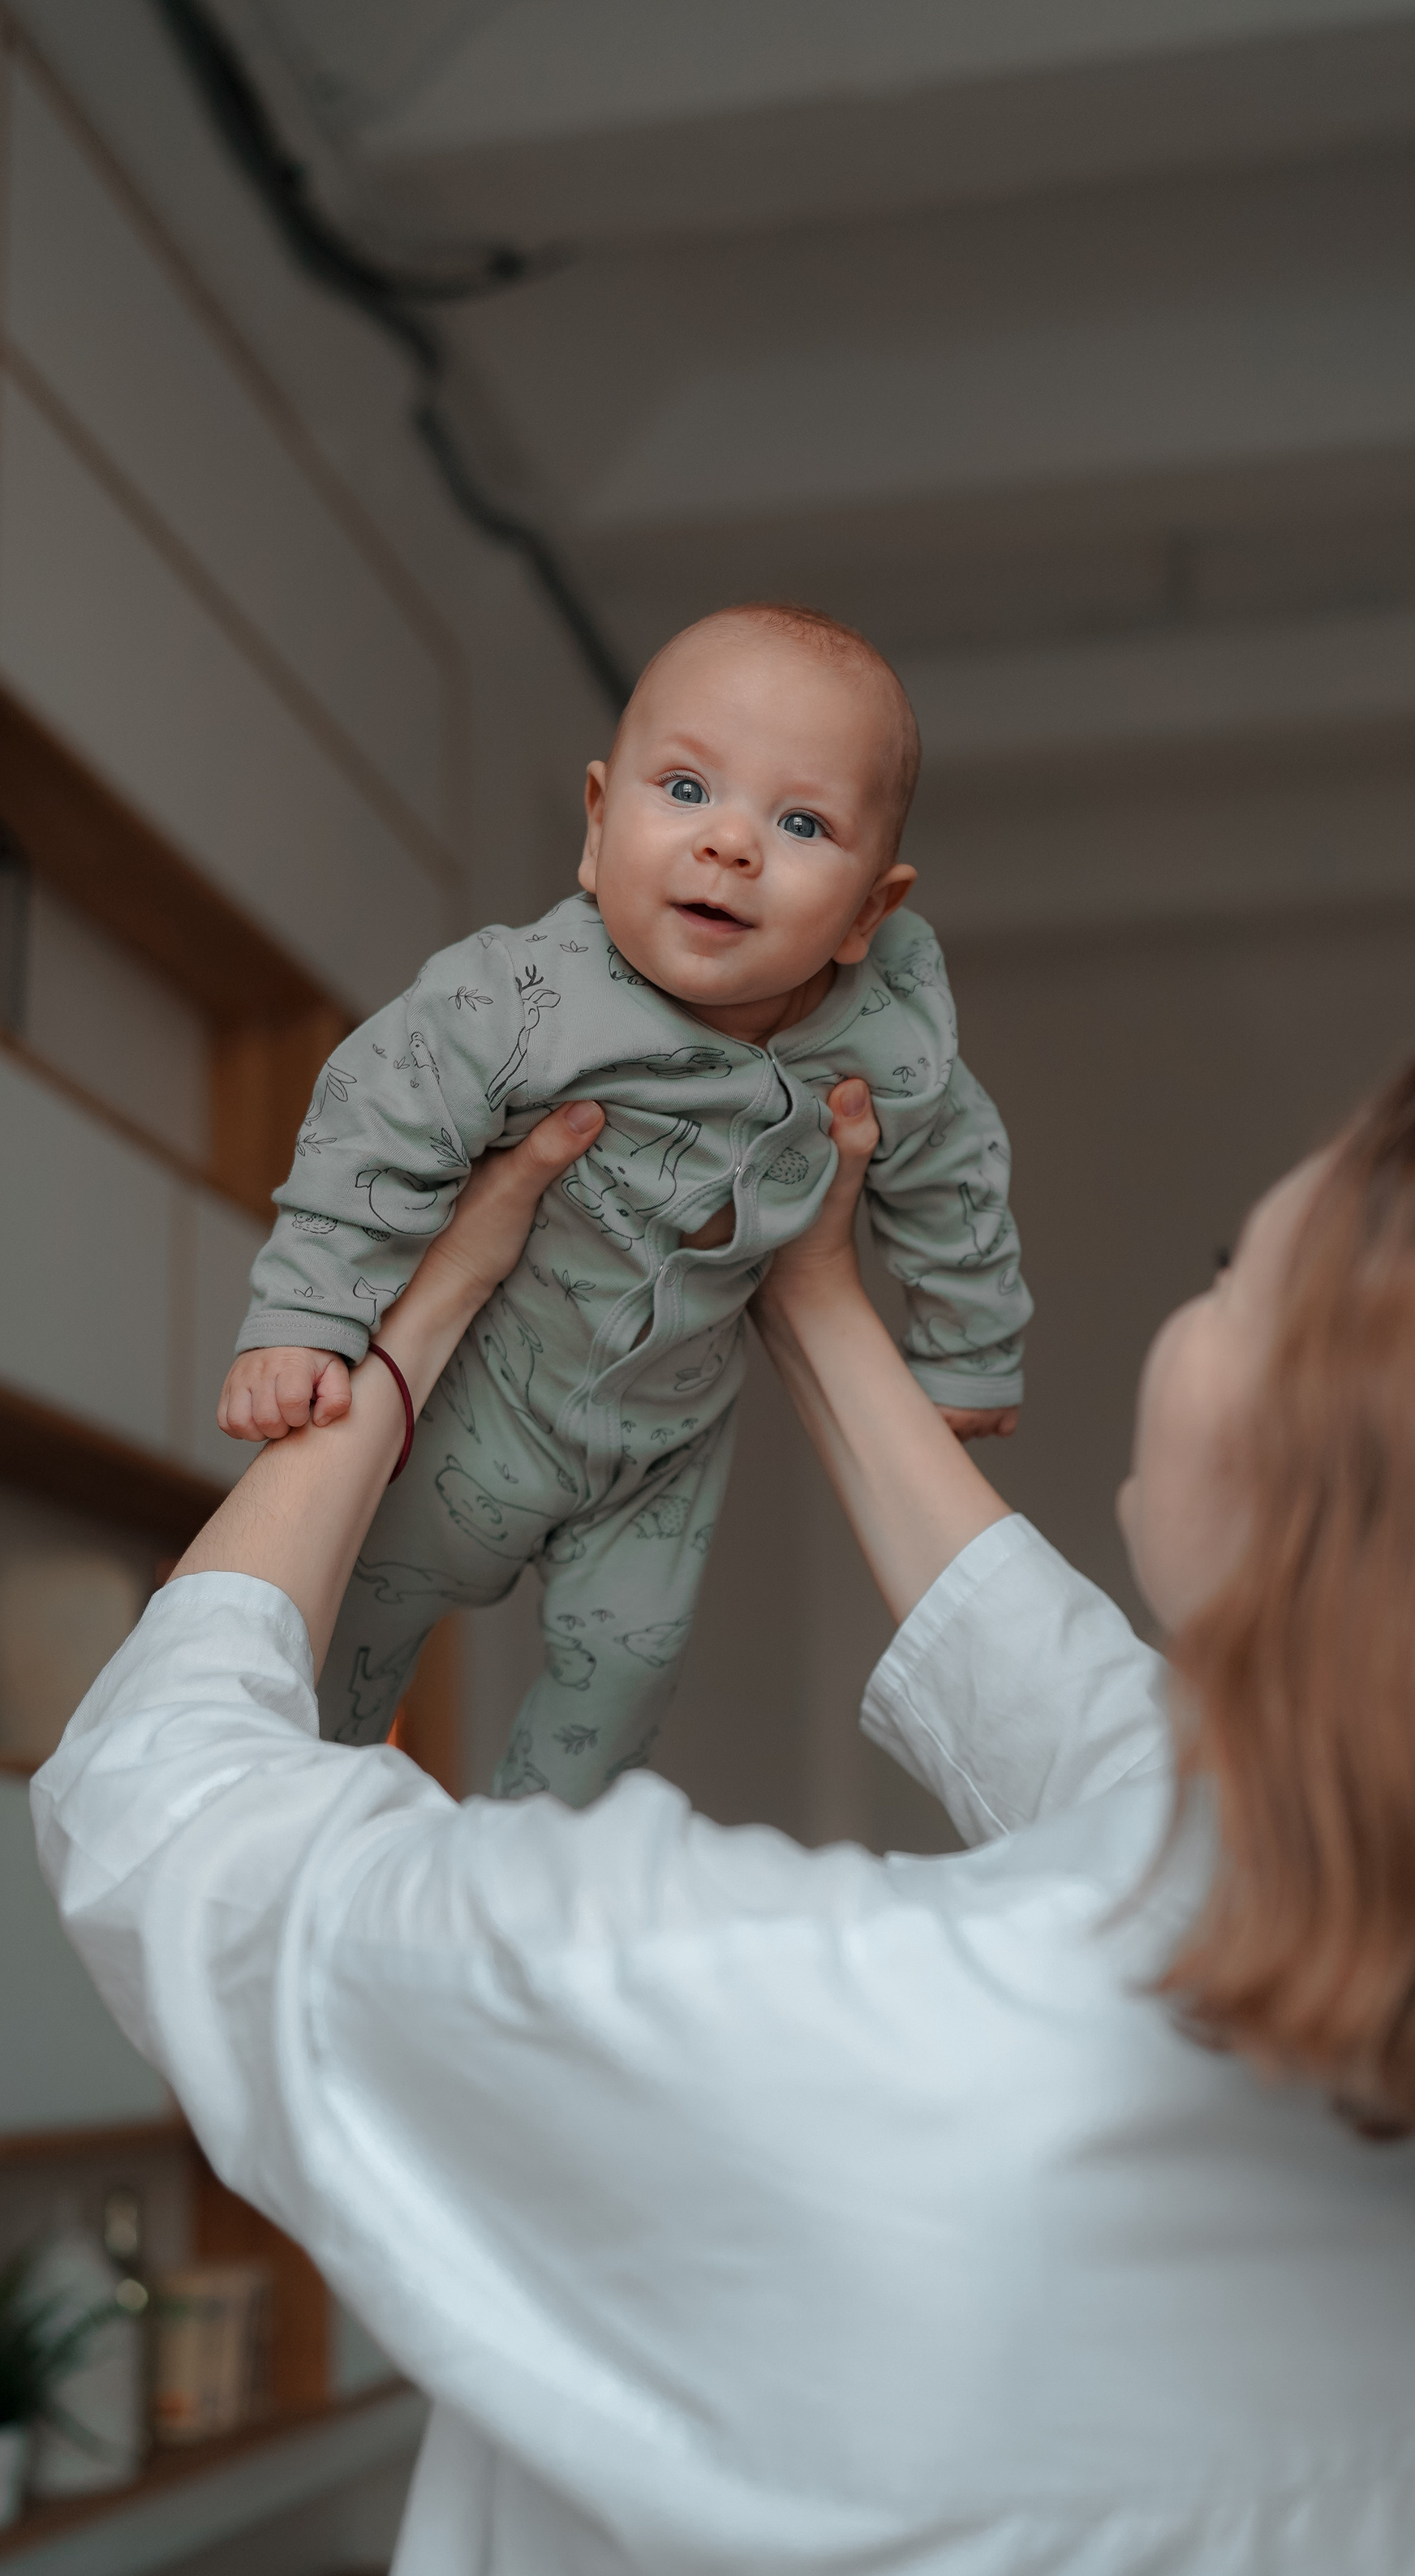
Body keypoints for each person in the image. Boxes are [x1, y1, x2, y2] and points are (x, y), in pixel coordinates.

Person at [36, 1032, 1415, 2576]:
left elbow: (166, 1807)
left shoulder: (805, 2043)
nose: (1198, 1312)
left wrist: (400, 1337)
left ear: (1317, 1471)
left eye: (1235, 1279)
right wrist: (812, 1292)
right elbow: (1095, 1727)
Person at [216, 603, 1028, 1803]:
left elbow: (955, 1175)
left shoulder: (890, 1047)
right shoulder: (526, 999)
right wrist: (305, 1316)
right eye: (686, 789)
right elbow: (377, 1117)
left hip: (661, 1453)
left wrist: (967, 1347)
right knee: (341, 1642)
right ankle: (298, 1837)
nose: (731, 844)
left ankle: (528, 1871)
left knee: (626, 1674)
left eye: (802, 822)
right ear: (598, 827)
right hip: (465, 1412)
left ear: (870, 911)